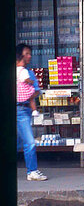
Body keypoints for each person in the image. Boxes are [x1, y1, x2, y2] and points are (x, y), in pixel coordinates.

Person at [16, 43, 47, 181]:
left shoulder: (29, 72)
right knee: (29, 142)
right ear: (20, 55)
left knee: (25, 142)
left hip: (25, 109)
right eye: (26, 53)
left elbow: (36, 90)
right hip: (19, 109)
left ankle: (32, 170)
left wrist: (28, 94)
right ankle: (32, 171)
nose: (29, 56)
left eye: (30, 53)